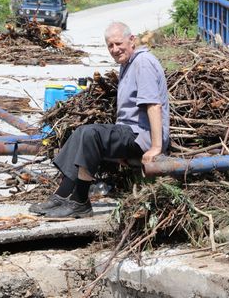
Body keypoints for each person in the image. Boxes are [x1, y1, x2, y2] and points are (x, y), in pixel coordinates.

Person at [30, 22, 170, 218]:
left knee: (90, 134)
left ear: (132, 40)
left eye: (118, 43)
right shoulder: (128, 64)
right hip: (130, 133)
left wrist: (156, 147)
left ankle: (80, 201)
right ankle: (61, 195)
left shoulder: (142, 62)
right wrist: (117, 146)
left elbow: (154, 105)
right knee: (81, 132)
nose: (115, 49)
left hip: (142, 136)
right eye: (110, 46)